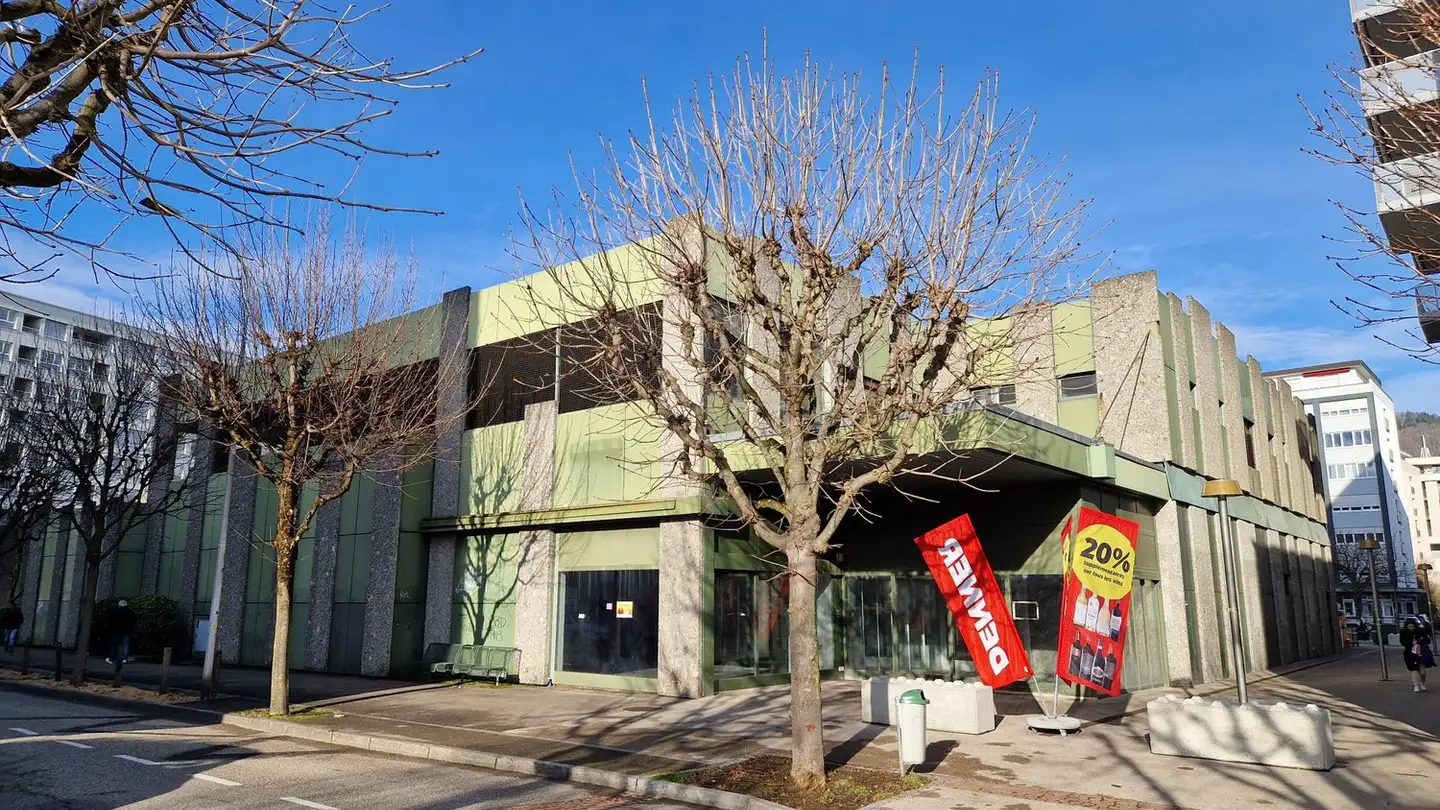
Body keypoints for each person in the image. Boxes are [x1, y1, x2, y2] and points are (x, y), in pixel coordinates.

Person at [1400, 617, 1435, 693]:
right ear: (1407, 626)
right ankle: (1416, 685)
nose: (1412, 628)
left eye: (1413, 626)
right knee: (1414, 670)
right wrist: (1410, 643)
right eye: (1410, 627)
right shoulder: (1404, 633)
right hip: (1410, 654)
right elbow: (1402, 642)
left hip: (1420, 653)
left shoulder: (1419, 631)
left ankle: (1422, 683)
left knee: (1423, 672)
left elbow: (1427, 636)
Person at [106, 600, 137, 665]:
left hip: (117, 631)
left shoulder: (116, 612)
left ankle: (111, 659)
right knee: (126, 645)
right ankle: (125, 659)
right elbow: (134, 620)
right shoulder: (130, 612)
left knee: (114, 645)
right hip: (127, 631)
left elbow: (110, 621)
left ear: (119, 605)